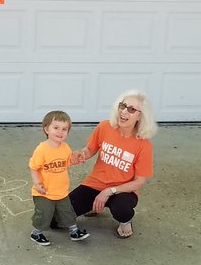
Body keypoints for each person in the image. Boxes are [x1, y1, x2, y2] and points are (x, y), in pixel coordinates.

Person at [67, 90, 156, 239]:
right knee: (56, 220)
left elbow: (139, 181)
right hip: (94, 184)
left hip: (122, 191)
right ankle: (94, 207)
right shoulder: (104, 127)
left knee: (121, 209)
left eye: (131, 109)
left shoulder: (144, 145)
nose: (124, 111)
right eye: (123, 106)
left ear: (140, 116)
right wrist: (80, 154)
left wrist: (109, 191)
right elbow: (89, 150)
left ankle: (125, 221)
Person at [28, 110, 90, 246]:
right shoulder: (42, 150)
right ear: (46, 129)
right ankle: (36, 233)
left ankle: (74, 231)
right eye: (56, 128)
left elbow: (67, 162)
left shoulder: (65, 147)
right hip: (44, 192)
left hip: (61, 191)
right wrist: (37, 183)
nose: (60, 132)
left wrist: (76, 160)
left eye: (64, 129)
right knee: (44, 214)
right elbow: (33, 167)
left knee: (68, 212)